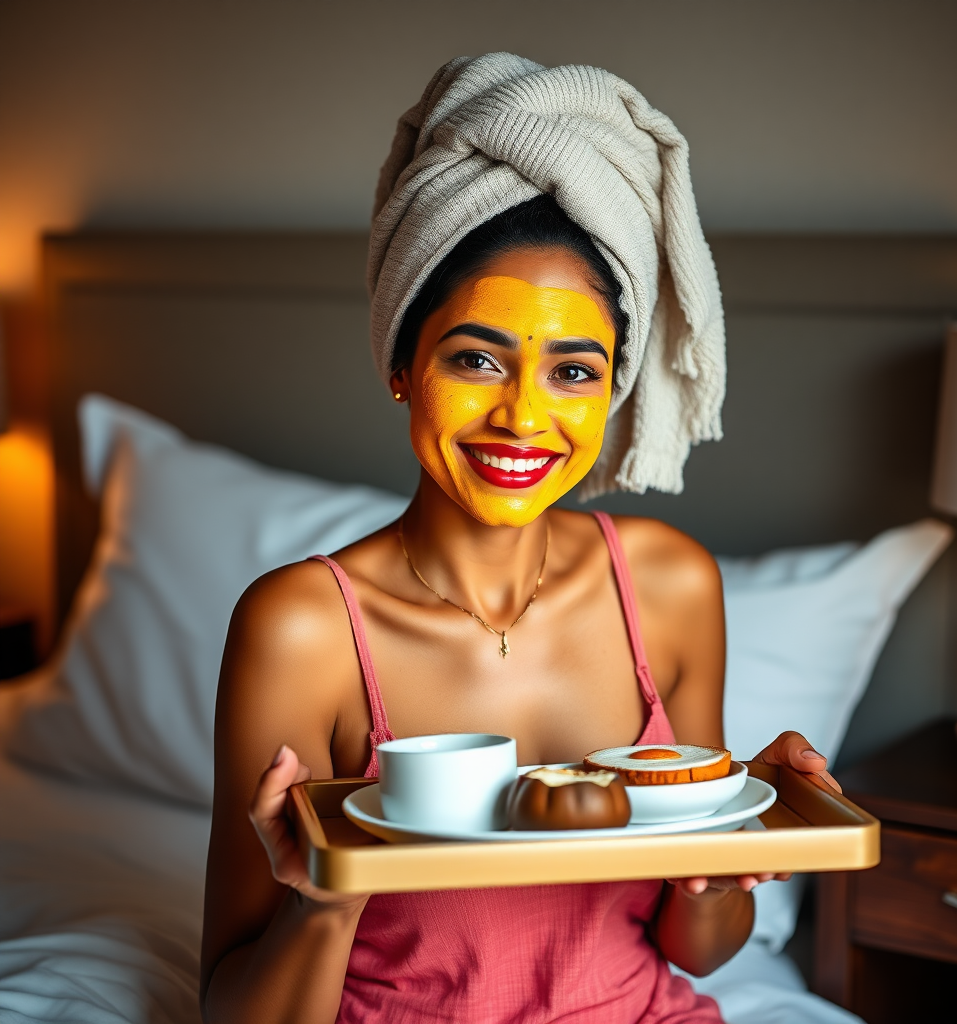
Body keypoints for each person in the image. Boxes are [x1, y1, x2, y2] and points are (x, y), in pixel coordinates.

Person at [200, 54, 839, 1024]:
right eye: (474, 358)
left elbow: (695, 949)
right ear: (400, 363)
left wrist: (724, 864)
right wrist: (328, 901)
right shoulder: (302, 627)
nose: (523, 416)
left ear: (613, 390)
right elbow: (231, 1008)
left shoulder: (668, 586)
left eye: (574, 372)